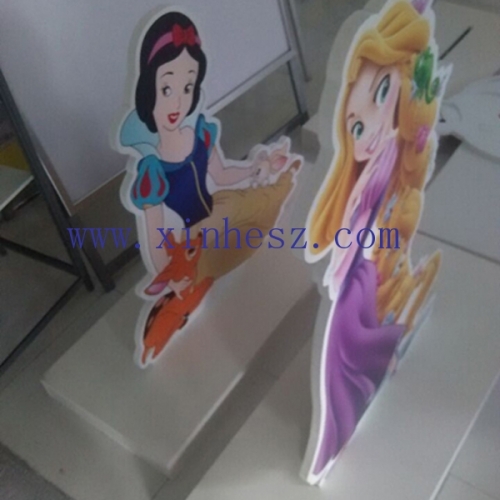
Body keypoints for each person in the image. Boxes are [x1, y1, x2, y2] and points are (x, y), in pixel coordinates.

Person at [303, 0, 448, 483]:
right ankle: (339, 417)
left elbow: (407, 186)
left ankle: (383, 346)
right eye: (356, 127)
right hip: (364, 258)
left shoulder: (400, 146)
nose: (367, 134)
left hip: (382, 249)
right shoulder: (362, 174)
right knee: (347, 323)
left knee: (362, 306)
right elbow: (355, 216)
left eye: (384, 91)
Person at [119, 11, 301, 365]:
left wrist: (255, 168)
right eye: (167, 88)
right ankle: (181, 302)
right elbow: (155, 235)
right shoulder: (152, 168)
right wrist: (170, 274)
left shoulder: (201, 133)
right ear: (148, 91)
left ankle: (277, 188)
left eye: (187, 87)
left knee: (257, 207)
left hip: (225, 218)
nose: (177, 102)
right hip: (192, 245)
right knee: (223, 226)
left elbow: (223, 173)